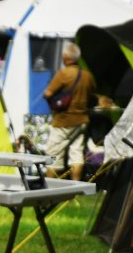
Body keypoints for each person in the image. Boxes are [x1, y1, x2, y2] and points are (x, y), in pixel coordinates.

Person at [43, 43, 105, 181]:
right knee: (76, 153)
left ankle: (48, 189)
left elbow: (47, 94)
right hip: (82, 120)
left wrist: (55, 104)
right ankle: (75, 189)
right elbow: (92, 95)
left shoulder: (64, 73)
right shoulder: (88, 76)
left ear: (65, 57)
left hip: (64, 120)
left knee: (53, 153)